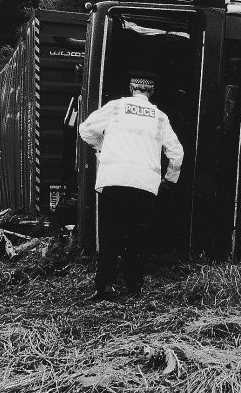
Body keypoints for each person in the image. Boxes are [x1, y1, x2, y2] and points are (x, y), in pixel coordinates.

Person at [78, 73, 184, 301]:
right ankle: (133, 288)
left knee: (109, 235)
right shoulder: (159, 117)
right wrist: (170, 179)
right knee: (138, 237)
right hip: (144, 184)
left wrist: (102, 148)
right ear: (151, 92)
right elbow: (177, 153)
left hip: (114, 179)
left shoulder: (116, 107)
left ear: (130, 88)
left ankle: (104, 286)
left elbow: (85, 130)